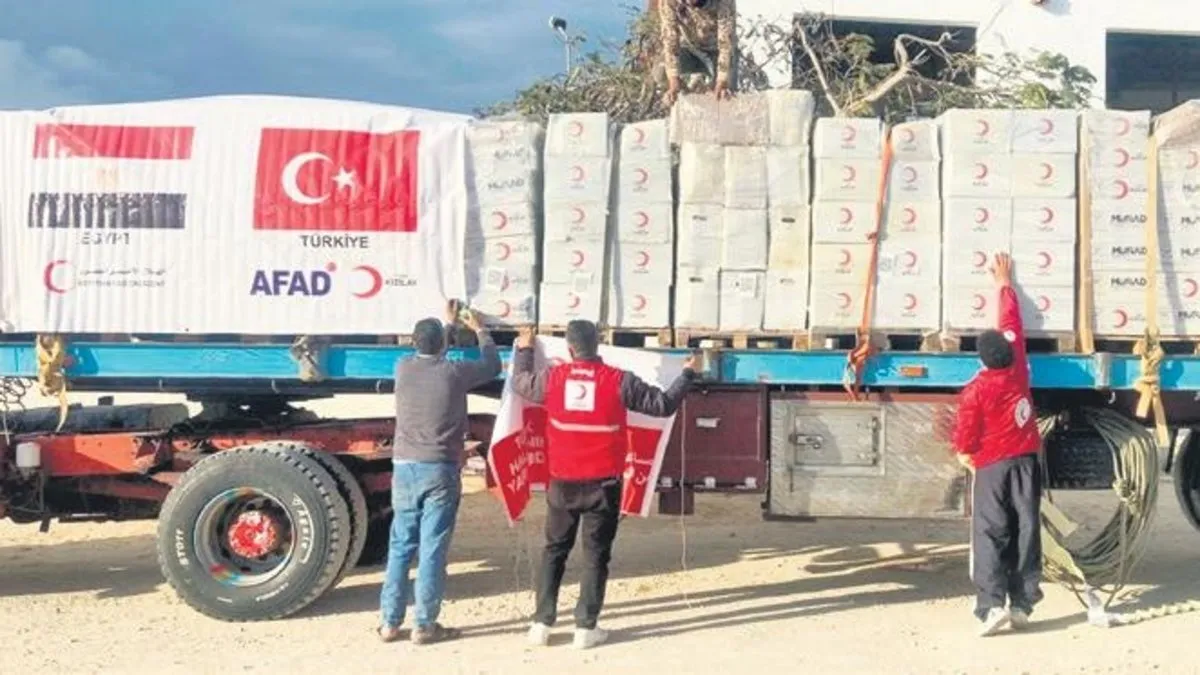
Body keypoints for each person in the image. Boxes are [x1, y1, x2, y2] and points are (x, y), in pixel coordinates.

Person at [511, 320, 698, 649]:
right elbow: (662, 405)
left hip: (562, 484)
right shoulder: (618, 380)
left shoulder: (553, 379)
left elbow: (520, 382)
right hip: (603, 486)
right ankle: (586, 627)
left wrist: (525, 350)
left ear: (569, 349)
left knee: (554, 550)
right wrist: (687, 375)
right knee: (596, 556)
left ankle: (541, 624)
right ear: (597, 346)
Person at [378, 300, 502, 644]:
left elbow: (433, 351)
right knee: (432, 548)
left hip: (404, 466)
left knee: (401, 544)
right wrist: (479, 329)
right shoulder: (454, 373)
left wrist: (445, 328)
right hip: (439, 468)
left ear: (413, 344)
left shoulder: (403, 368)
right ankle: (424, 624)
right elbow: (492, 365)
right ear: (444, 345)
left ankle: (389, 622)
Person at [950, 253, 1044, 637]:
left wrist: (963, 453)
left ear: (984, 360)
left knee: (990, 532)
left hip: (992, 466)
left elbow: (966, 433)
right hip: (1025, 462)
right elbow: (1011, 324)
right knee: (1026, 529)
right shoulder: (1019, 369)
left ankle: (991, 607)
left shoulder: (977, 390)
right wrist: (1004, 286)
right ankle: (1023, 603)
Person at [654, 0, 737, 106]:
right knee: (660, 71)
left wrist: (722, 80)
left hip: (716, 52)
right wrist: (673, 81)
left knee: (725, 97)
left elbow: (726, 42)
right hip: (689, 48)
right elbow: (670, 40)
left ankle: (709, 86)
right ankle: (689, 96)